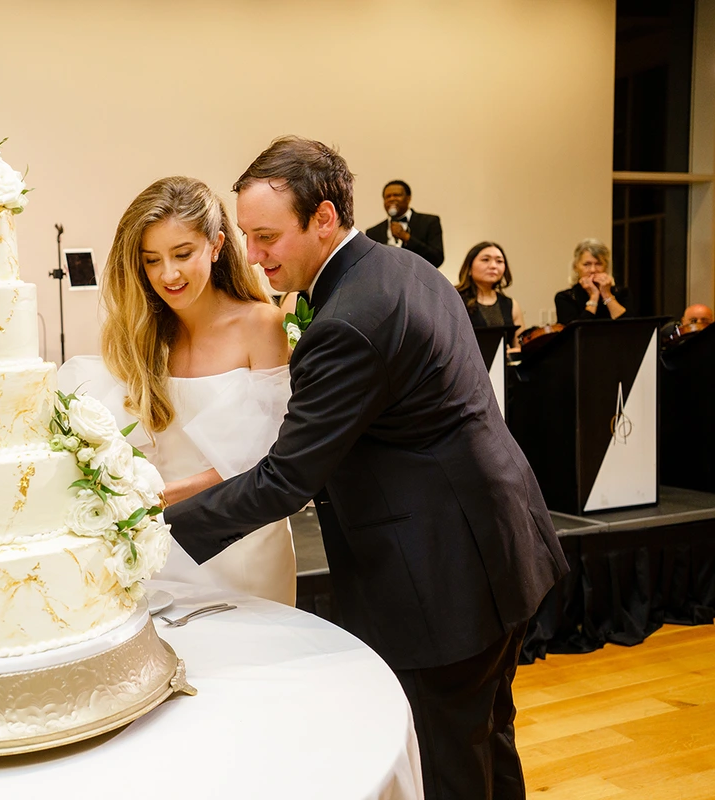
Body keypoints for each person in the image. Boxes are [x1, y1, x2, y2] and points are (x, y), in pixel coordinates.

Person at [164, 136, 568, 800]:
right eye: (247, 236)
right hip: (499, 541)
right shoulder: (404, 268)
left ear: (323, 219)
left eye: (267, 237)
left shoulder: (348, 321)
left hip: (442, 576)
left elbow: (287, 479)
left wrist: (158, 530)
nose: (253, 255)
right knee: (487, 733)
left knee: (448, 762)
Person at [58, 176, 296, 605]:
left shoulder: (262, 326)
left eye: (183, 254)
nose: (168, 274)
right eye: (152, 260)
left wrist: (154, 496)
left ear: (216, 245)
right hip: (160, 548)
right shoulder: (140, 338)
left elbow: (271, 459)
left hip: (243, 545)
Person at [364, 180, 444, 267]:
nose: (392, 199)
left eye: (397, 195)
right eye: (388, 196)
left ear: (408, 198)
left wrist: (406, 237)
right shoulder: (372, 232)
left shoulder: (429, 222)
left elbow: (437, 258)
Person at [455, 241, 526, 338]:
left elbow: (520, 344)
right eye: (485, 260)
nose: (493, 266)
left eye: (499, 261)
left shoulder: (511, 305)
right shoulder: (454, 298)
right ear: (469, 268)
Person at [554, 239, 629, 325]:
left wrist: (606, 295)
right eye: (587, 264)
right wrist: (594, 297)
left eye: (598, 264)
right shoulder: (565, 297)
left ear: (606, 267)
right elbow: (575, 330)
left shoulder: (623, 293)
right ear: (576, 267)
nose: (593, 270)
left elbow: (629, 326)